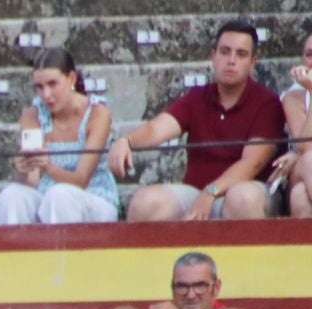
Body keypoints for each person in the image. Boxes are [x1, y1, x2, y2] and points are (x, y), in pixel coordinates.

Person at [109, 20, 285, 222]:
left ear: (253, 62)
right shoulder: (197, 96)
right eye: (225, 52)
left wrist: (211, 191)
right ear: (213, 56)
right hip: (197, 192)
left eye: (241, 54)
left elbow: (252, 163)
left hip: (248, 190)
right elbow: (158, 128)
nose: (231, 60)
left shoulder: (267, 102)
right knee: (144, 203)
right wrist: (127, 141)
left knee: (242, 199)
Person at [0, 48, 118, 225]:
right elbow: (32, 181)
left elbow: (81, 180)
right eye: (40, 87)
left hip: (93, 196)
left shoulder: (97, 114)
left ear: (71, 78)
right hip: (47, 197)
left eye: (52, 84)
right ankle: (18, 251)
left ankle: (62, 253)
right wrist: (23, 171)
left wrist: (48, 167)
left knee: (60, 196)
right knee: (13, 195)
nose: (46, 95)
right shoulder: (33, 115)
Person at [100, 251, 261, 309]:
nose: (191, 295)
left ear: (216, 287)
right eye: (182, 286)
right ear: (172, 288)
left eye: (200, 286)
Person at [276, 34, 312, 217]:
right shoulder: (294, 96)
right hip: (305, 167)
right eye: (309, 55)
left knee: (300, 197)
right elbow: (305, 147)